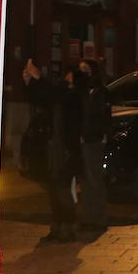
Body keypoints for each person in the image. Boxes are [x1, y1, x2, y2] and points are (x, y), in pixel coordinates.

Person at [27, 61, 79, 244]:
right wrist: (32, 82)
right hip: (54, 150)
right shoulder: (59, 96)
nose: (68, 78)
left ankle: (68, 229)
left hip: (66, 151)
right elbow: (43, 97)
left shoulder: (74, 96)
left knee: (63, 190)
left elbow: (57, 94)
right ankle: (57, 228)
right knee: (53, 190)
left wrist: (39, 78)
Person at [75, 59, 110, 239]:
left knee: (94, 179)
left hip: (94, 140)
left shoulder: (100, 92)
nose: (83, 73)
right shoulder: (82, 92)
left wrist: (99, 134)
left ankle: (98, 218)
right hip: (83, 140)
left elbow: (101, 117)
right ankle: (88, 216)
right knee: (86, 180)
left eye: (85, 70)